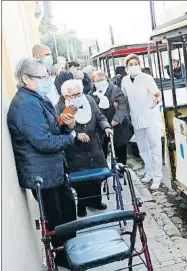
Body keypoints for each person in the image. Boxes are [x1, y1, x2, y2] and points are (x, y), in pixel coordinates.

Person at [7, 58, 77, 268]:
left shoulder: (36, 97)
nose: (47, 80)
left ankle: (72, 251)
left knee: (67, 212)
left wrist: (65, 124)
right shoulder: (24, 105)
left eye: (47, 75)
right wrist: (70, 136)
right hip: (42, 175)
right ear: (26, 78)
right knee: (56, 221)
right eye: (42, 76)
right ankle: (65, 259)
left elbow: (50, 128)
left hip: (53, 170)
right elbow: (43, 141)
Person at [56, 79, 113, 217]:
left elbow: (99, 116)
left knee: (97, 177)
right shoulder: (59, 107)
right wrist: (75, 134)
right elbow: (58, 127)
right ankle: (81, 205)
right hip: (75, 150)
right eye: (73, 95)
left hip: (94, 145)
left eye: (79, 93)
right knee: (81, 180)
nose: (77, 97)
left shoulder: (89, 100)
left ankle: (96, 201)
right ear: (65, 96)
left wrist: (106, 126)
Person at [121, 54, 163, 190]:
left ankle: (157, 177)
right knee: (143, 149)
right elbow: (125, 99)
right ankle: (149, 172)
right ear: (126, 68)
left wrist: (155, 101)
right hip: (136, 118)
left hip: (150, 117)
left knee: (155, 147)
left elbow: (158, 94)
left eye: (135, 63)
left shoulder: (147, 78)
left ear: (139, 65)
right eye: (130, 64)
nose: (133, 66)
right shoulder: (125, 81)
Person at [91, 71, 133, 165]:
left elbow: (122, 105)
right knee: (102, 151)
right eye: (97, 81)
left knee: (119, 151)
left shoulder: (115, 90)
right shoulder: (92, 94)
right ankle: (104, 172)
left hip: (118, 126)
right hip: (101, 128)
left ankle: (120, 172)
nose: (100, 82)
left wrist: (116, 119)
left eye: (102, 80)